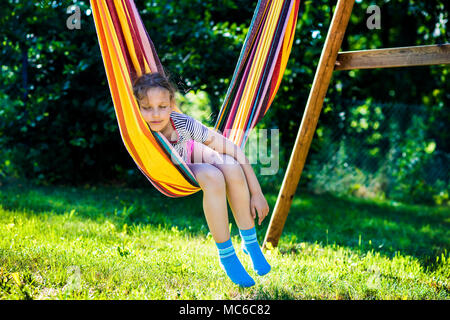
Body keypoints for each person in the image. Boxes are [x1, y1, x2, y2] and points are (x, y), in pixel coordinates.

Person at [132, 72, 271, 287]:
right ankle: (226, 256)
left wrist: (257, 193)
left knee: (231, 166)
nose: (155, 114)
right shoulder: (137, 127)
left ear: (171, 105)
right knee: (213, 177)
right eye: (147, 107)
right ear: (137, 108)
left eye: (162, 106)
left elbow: (233, 149)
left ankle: (250, 242)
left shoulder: (181, 122)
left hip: (190, 154)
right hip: (173, 167)